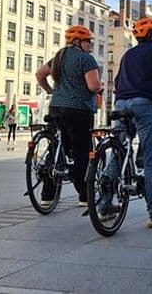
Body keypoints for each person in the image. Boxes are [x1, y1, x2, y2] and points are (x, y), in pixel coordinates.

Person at [102, 17, 152, 227]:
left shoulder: (128, 54)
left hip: (120, 104)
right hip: (145, 104)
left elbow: (118, 81)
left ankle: (103, 205)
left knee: (119, 151)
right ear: (151, 35)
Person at [36, 25, 102, 208]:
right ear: (79, 42)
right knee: (81, 153)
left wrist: (50, 91)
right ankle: (84, 195)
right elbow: (93, 86)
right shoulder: (86, 59)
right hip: (78, 110)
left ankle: (47, 195)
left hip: (56, 108)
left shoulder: (59, 57)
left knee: (56, 149)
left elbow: (40, 74)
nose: (91, 45)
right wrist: (100, 86)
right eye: (89, 41)